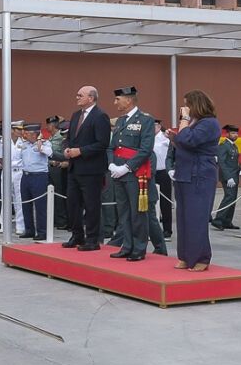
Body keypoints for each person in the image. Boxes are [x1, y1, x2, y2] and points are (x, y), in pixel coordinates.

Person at [106, 87, 158, 261]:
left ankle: (139, 248)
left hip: (135, 174)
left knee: (137, 213)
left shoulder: (145, 120)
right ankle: (127, 246)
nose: (115, 102)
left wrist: (126, 167)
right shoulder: (120, 121)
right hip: (118, 172)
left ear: (128, 100)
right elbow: (112, 147)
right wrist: (112, 164)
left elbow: (145, 149)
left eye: (117, 99)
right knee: (124, 212)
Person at [170, 92, 220, 269]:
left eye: (187, 105)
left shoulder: (209, 123)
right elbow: (185, 142)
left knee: (196, 218)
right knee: (183, 218)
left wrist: (183, 120)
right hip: (184, 173)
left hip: (199, 174)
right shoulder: (195, 123)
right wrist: (174, 139)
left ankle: (201, 258)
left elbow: (189, 140)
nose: (185, 108)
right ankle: (186, 255)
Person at [62, 85, 109, 250]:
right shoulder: (75, 115)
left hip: (91, 169)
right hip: (74, 168)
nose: (77, 98)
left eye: (80, 95)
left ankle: (92, 239)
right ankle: (77, 235)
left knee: (91, 205)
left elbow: (102, 143)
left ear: (91, 98)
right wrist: (67, 149)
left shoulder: (100, 116)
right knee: (73, 204)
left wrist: (80, 151)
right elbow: (69, 138)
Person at [15, 121, 51, 239]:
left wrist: (40, 146)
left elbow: (50, 153)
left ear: (34, 134)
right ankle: (29, 229)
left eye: (26, 133)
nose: (24, 135)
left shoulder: (45, 143)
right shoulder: (24, 145)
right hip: (26, 176)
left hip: (39, 176)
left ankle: (42, 231)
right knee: (25, 204)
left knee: (40, 205)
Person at [213, 125, 241, 229]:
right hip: (228, 177)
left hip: (234, 176)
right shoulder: (223, 146)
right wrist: (228, 177)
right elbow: (222, 162)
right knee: (229, 197)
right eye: (233, 133)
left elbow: (235, 161)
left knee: (233, 199)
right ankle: (218, 220)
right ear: (227, 134)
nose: (235, 135)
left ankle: (227, 221)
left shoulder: (234, 146)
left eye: (236, 133)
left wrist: (240, 169)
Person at [152, 123, 175, 239]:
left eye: (154, 126)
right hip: (151, 172)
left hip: (163, 172)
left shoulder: (165, 138)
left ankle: (167, 230)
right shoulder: (148, 137)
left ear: (159, 126)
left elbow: (173, 149)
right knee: (152, 202)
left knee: (165, 202)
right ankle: (153, 229)